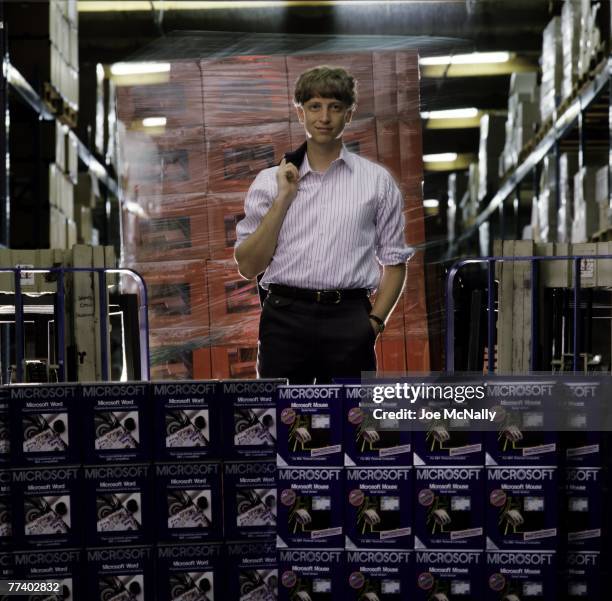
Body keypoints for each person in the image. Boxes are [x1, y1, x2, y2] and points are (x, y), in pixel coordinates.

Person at [234, 65, 414, 384]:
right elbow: (248, 266)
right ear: (300, 113)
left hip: (350, 318)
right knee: (285, 422)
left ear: (349, 114)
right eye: (314, 106)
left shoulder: (376, 182)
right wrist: (284, 198)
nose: (324, 117)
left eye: (335, 107)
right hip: (284, 318)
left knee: (352, 424)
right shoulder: (268, 183)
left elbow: (396, 263)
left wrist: (373, 324)